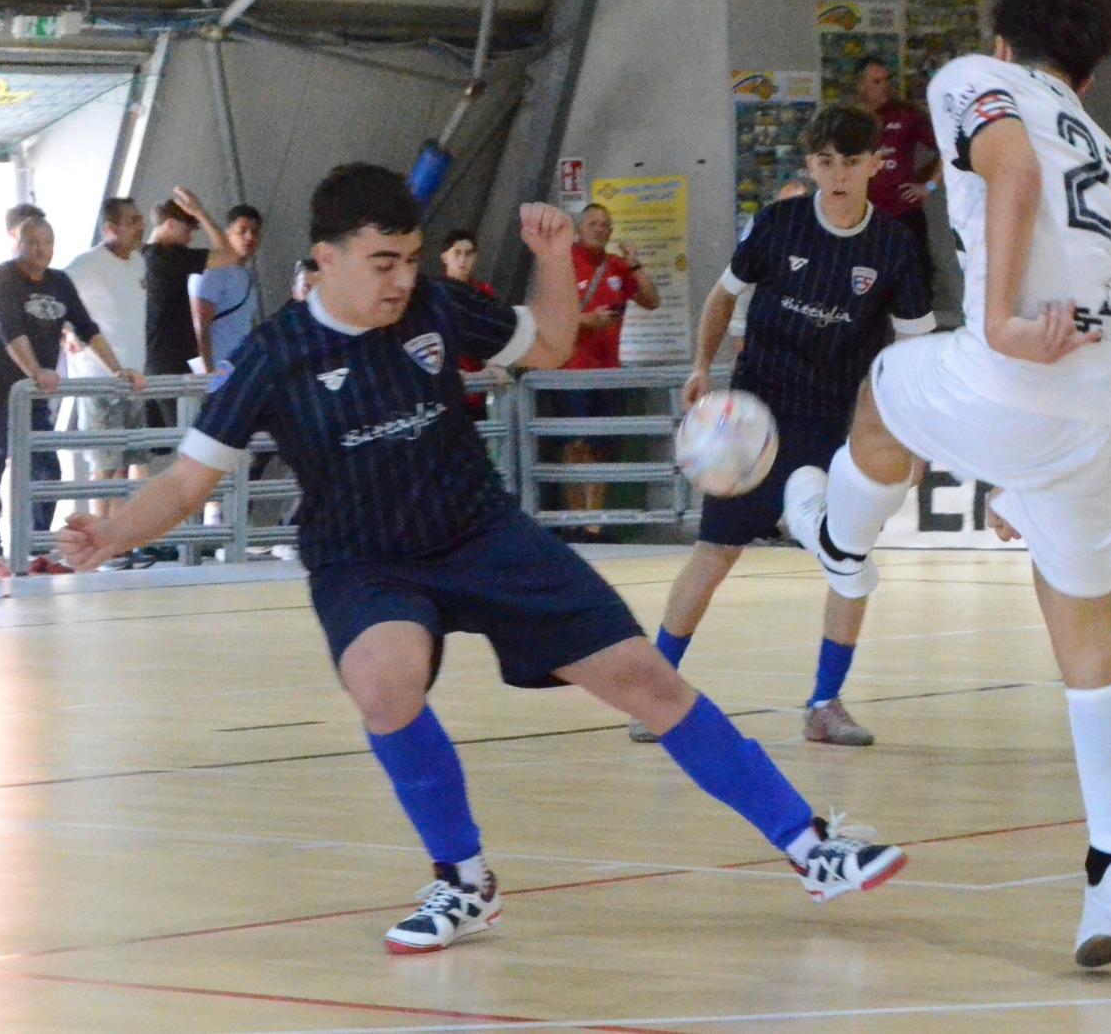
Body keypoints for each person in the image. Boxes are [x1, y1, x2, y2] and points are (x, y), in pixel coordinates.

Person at [55, 163, 906, 953]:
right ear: (325, 259)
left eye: (411, 258)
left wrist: (553, 257)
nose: (400, 278)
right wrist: (113, 530)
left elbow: (548, 344)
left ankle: (811, 844)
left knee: (646, 680)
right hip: (365, 560)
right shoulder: (275, 355)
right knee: (382, 681)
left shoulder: (435, 306)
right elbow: (187, 479)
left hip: (481, 533)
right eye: (382, 261)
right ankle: (462, 882)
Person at [782, 0, 1111, 968]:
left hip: (1021, 363)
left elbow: (1009, 169)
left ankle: (839, 544)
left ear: (1002, 44)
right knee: (1088, 637)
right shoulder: (1110, 150)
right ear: (1091, 64)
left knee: (879, 388)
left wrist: (993, 322)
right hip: (1104, 393)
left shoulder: (973, 80)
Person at [633, 107, 933, 747]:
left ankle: (825, 704)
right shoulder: (780, 222)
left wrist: (915, 435)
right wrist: (699, 368)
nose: (839, 174)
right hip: (754, 416)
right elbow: (722, 297)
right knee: (714, 554)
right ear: (810, 165)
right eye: (826, 162)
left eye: (852, 161)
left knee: (848, 558)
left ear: (876, 164)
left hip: (835, 423)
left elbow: (914, 348)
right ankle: (657, 695)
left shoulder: (894, 247)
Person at [0, 216, 143, 577]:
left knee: (46, 469)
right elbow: (10, 332)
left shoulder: (60, 282)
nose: (41, 250)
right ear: (18, 244)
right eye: (33, 243)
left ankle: (34, 549)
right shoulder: (2, 278)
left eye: (48, 243)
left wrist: (117, 369)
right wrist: (36, 371)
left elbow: (87, 328)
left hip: (31, 397)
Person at [552, 202, 661, 540]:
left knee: (601, 448)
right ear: (579, 229)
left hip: (608, 372)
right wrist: (588, 321)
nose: (600, 229)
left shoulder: (616, 266)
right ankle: (574, 518)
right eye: (593, 223)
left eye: (605, 225)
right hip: (571, 370)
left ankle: (594, 523)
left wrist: (635, 262)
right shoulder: (562, 263)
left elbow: (651, 300)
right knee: (575, 445)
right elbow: (550, 316)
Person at [64, 198, 152, 525]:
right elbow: (56, 296)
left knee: (126, 463)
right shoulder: (86, 265)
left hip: (133, 377)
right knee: (105, 461)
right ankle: (98, 535)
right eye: (132, 220)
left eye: (139, 218)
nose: (140, 226)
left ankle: (116, 540)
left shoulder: (138, 262)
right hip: (98, 378)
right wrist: (67, 332)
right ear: (110, 229)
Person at [141, 189, 237, 431]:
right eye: (187, 230)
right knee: (190, 435)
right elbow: (229, 255)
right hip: (171, 361)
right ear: (170, 224)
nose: (190, 238)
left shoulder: (141, 257)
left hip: (147, 359)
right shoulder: (170, 257)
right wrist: (201, 213)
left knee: (147, 447)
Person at [855, 55, 940, 292]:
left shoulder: (907, 116)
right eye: (876, 82)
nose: (884, 88)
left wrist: (928, 185)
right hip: (864, 215)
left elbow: (947, 149)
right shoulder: (851, 119)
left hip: (904, 213)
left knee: (917, 281)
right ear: (861, 86)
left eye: (886, 81)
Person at [728, 178, 811, 354]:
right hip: (770, 352)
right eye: (783, 207)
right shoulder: (762, 244)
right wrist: (740, 346)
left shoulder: (829, 248)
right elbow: (739, 296)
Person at [439, 228, 509, 422]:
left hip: (478, 386)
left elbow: (496, 335)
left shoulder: (484, 292)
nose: (462, 260)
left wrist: (495, 365)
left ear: (476, 257)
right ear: (445, 256)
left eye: (468, 254)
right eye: (457, 253)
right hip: (447, 388)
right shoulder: (434, 295)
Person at [193, 205, 265, 373]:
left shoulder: (247, 276)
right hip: (211, 371)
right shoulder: (214, 270)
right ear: (228, 233)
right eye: (242, 231)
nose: (249, 237)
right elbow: (199, 326)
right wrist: (207, 375)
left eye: (255, 232)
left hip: (235, 368)